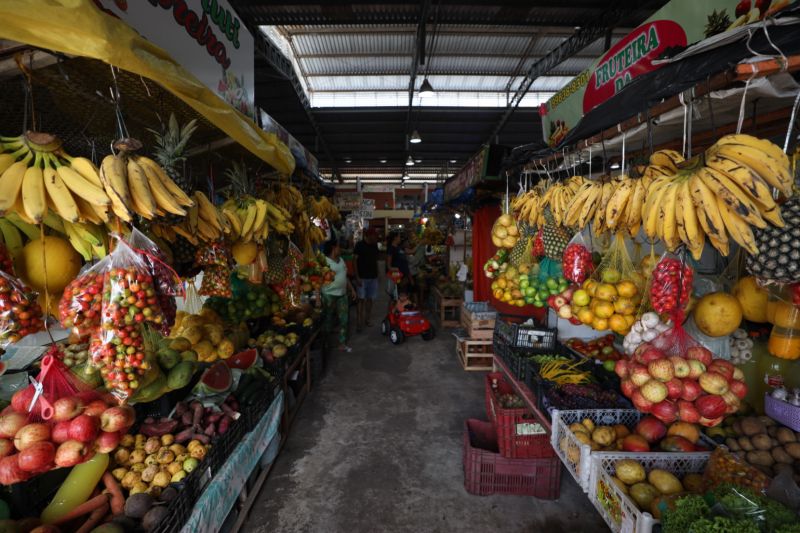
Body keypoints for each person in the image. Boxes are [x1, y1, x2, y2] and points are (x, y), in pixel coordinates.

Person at [321, 240, 356, 352]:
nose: (340, 249)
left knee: (344, 320)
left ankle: (342, 343)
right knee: (328, 320)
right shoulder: (324, 261)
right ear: (333, 248)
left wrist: (352, 289)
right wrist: (317, 297)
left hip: (342, 294)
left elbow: (345, 276)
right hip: (328, 295)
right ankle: (326, 344)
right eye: (338, 247)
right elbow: (317, 280)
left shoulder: (341, 260)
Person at [353, 228, 379, 331]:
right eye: (374, 236)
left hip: (373, 277)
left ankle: (367, 319)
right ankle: (359, 322)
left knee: (370, 300)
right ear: (368, 236)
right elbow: (354, 261)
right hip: (362, 278)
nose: (376, 238)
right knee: (361, 300)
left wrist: (378, 273)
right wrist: (357, 276)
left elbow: (375, 260)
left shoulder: (374, 245)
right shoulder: (359, 245)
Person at [386, 232, 411, 298]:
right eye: (399, 237)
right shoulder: (391, 248)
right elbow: (388, 266)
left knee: (402, 295)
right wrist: (397, 270)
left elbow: (411, 251)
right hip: (397, 275)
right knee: (397, 296)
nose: (400, 238)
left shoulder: (399, 247)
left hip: (403, 275)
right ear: (395, 238)